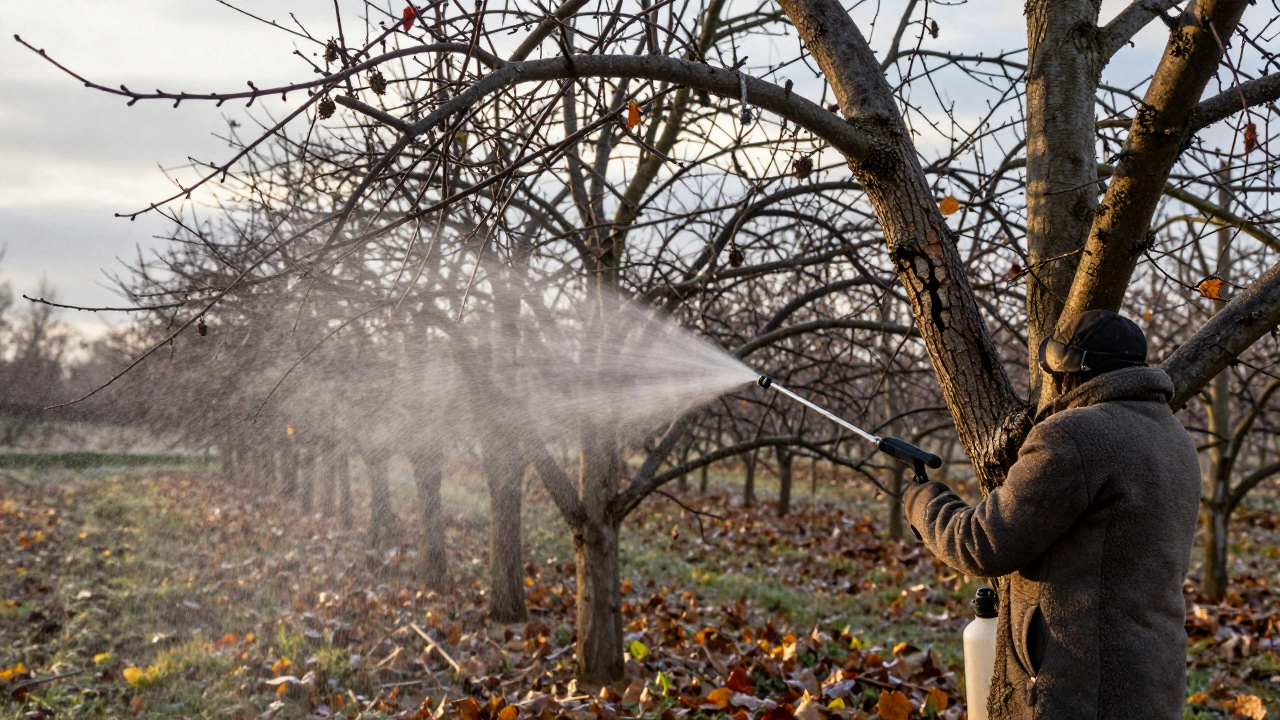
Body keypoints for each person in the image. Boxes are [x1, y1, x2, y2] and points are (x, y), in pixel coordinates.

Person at [904, 310, 1201, 719]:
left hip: (1079, 688)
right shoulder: (1174, 436)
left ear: (1067, 372)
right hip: (1151, 676)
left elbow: (982, 544)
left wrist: (922, 501)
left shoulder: (1073, 435)